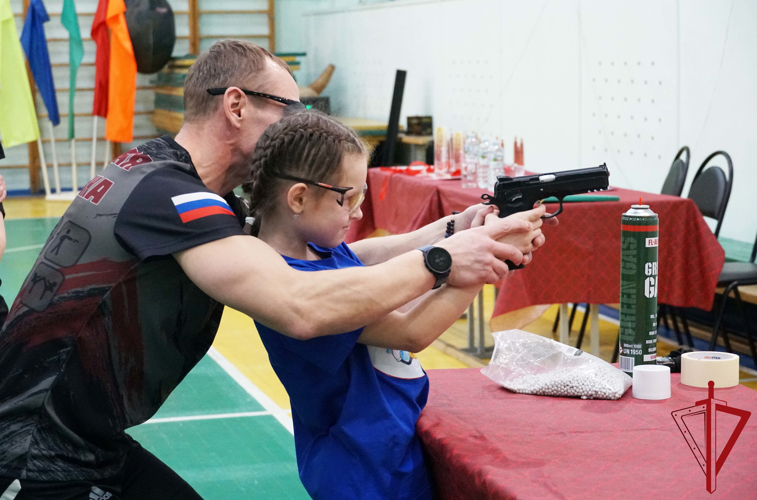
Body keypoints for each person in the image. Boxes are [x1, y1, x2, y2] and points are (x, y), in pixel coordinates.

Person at [0, 41, 552, 499]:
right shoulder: (174, 199)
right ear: (236, 106)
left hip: (77, 437)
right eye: (290, 110)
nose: (300, 125)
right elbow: (302, 302)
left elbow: (323, 266)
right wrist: (444, 263)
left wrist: (450, 231)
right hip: (40, 448)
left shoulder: (173, 184)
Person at [244, 111, 545, 500]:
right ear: (299, 197)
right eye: (347, 198)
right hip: (363, 469)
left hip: (389, 447)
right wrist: (488, 258)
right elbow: (410, 330)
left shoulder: (318, 248)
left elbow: (378, 254)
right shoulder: (301, 288)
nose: (358, 213)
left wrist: (463, 227)